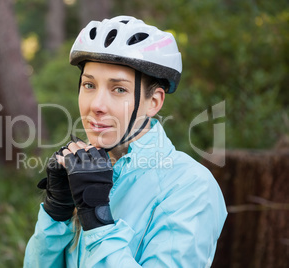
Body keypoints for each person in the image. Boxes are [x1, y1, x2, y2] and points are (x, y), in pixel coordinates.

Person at [23, 15, 227, 267]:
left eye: (118, 89)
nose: (96, 105)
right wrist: (57, 215)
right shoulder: (83, 171)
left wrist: (97, 219)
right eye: (89, 85)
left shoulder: (191, 187)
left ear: (154, 102)